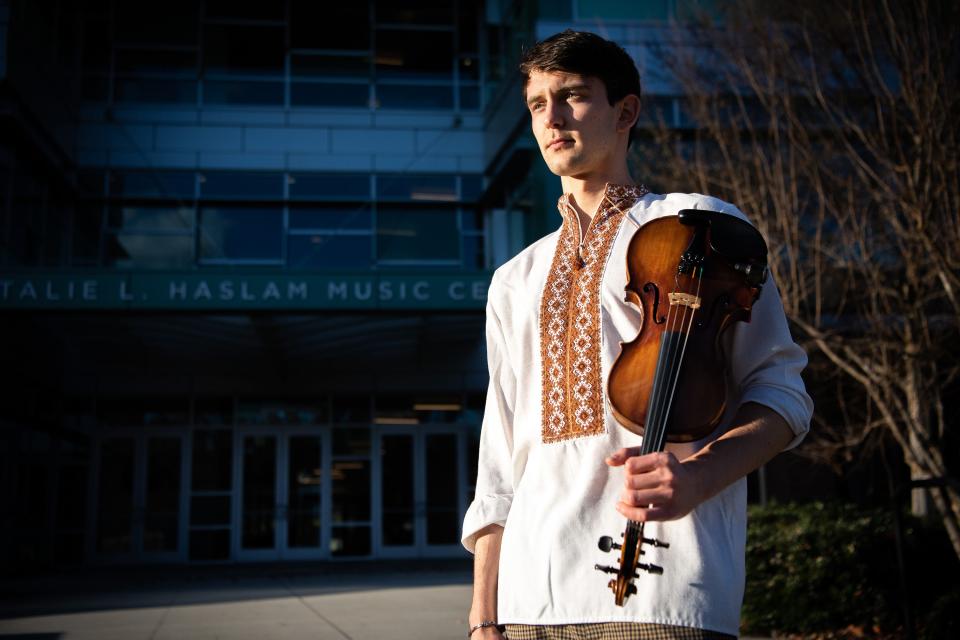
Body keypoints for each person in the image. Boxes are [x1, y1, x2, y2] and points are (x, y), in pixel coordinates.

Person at [461, 30, 813, 640]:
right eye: (538, 104)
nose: (553, 118)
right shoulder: (513, 278)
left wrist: (700, 474)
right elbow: (500, 452)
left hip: (666, 593)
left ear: (626, 111)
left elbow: (782, 394)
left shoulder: (699, 226)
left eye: (573, 96)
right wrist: (483, 611)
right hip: (529, 601)